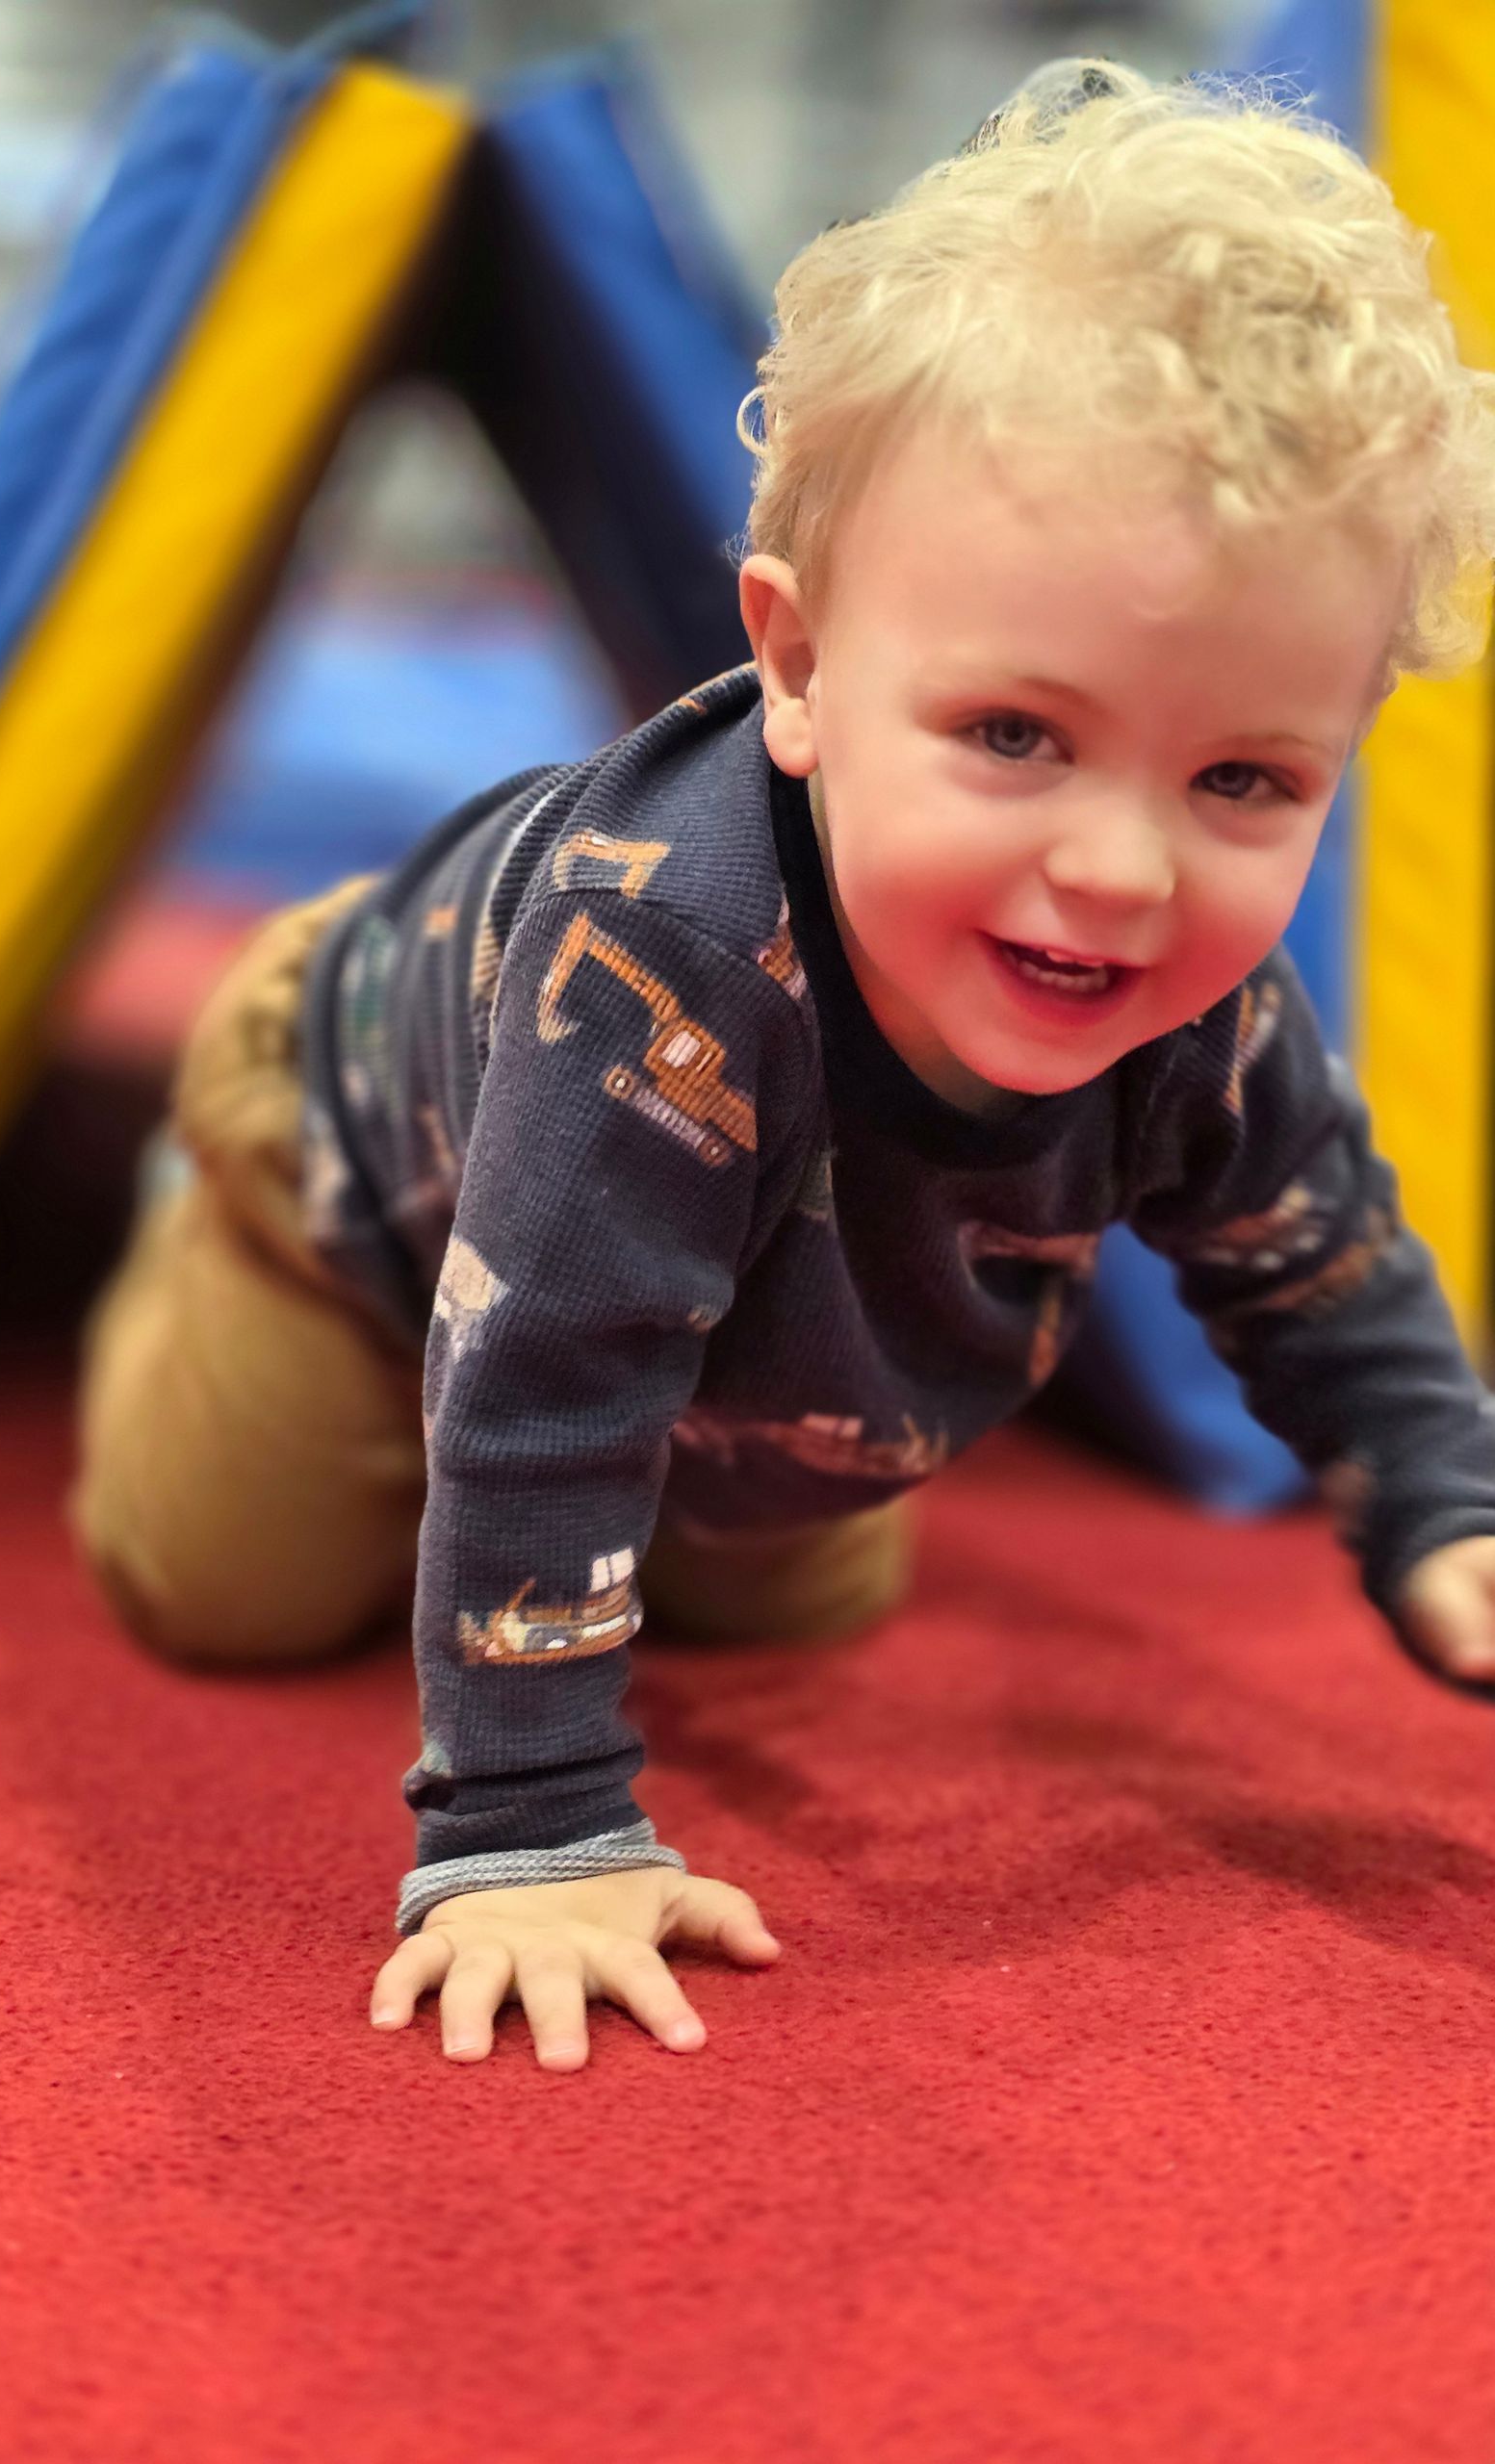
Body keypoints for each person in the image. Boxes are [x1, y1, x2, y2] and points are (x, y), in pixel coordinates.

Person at [72, 59, 1495, 2071]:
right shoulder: (665, 956)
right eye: (1016, 732)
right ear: (805, 669)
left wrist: (1448, 1499)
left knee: (785, 1594)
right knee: (231, 1583)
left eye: (1245, 776)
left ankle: (680, 1365)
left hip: (732, 1270)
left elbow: (1313, 1250)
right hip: (354, 1141)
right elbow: (555, 1373)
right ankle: (185, 1228)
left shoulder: (1191, 993)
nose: (1118, 864)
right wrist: (530, 1826)